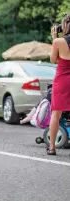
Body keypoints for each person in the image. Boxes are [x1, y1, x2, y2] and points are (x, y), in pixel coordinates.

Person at [47, 14, 70, 156]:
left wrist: (54, 39)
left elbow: (52, 60)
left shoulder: (59, 42)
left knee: (56, 113)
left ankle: (52, 147)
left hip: (62, 81)